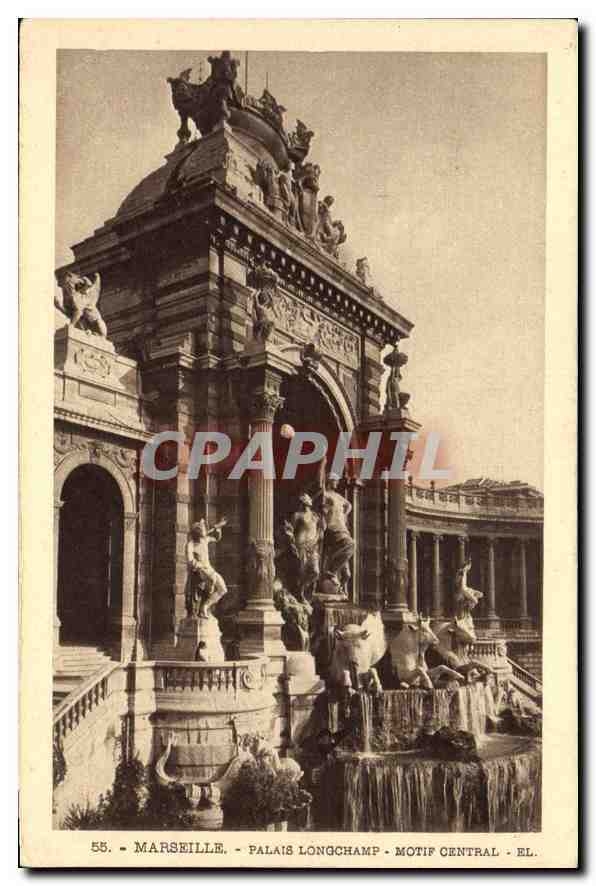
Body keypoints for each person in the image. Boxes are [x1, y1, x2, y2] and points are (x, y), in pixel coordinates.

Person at [186, 517, 228, 619]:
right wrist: (199, 565)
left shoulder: (205, 540)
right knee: (212, 581)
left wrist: (218, 528)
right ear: (198, 532)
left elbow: (216, 538)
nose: (205, 530)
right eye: (203, 529)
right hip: (200, 571)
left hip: (209, 569)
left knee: (223, 589)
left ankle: (205, 606)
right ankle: (202, 608)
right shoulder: (191, 544)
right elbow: (190, 560)